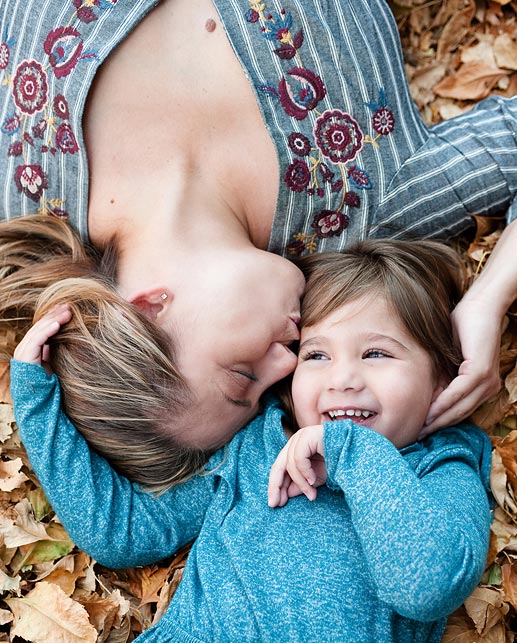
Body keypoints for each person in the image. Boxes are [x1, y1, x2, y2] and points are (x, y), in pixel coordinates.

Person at [8, 240, 492, 643]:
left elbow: (425, 586)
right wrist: (37, 400)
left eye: (376, 353)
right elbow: (121, 533)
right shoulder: (258, 450)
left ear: (445, 377)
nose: (343, 377)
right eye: (316, 355)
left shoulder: (442, 468)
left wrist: (352, 452)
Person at [1, 0, 517, 443]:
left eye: (242, 375)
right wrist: (491, 296)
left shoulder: (23, 181)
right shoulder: (367, 210)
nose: (287, 364)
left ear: (150, 308)